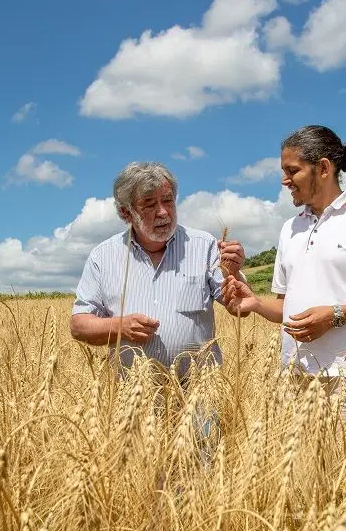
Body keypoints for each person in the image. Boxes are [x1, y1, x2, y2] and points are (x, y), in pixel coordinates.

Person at [221, 125, 346, 437]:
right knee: (299, 485)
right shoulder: (289, 229)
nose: (284, 180)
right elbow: (285, 307)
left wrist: (334, 315)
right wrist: (255, 304)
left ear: (323, 167)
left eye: (292, 171)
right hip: (293, 378)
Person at [70, 161, 248, 386]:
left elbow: (239, 307)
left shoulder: (204, 246)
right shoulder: (102, 257)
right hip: (133, 396)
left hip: (199, 393)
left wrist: (233, 272)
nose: (163, 212)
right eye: (149, 204)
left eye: (167, 201)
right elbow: (79, 325)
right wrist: (119, 327)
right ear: (127, 213)